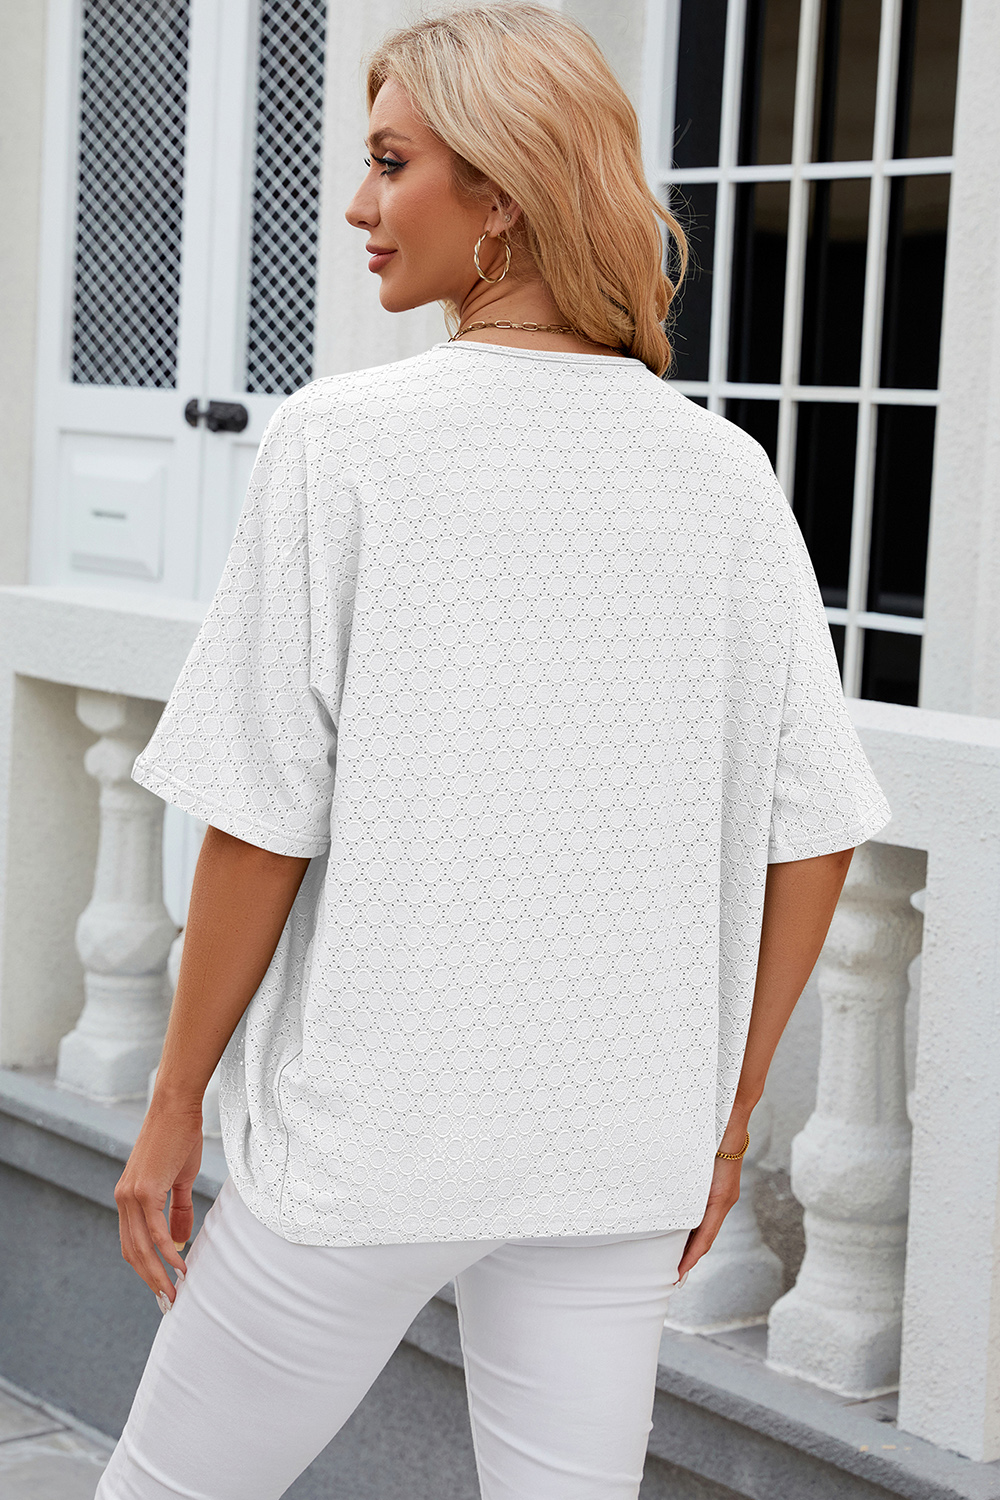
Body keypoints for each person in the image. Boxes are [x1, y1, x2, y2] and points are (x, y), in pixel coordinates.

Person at [96, 5, 891, 1498]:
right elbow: (817, 828)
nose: (358, 205)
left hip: (373, 1136)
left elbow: (262, 818)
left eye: (392, 162)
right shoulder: (723, 473)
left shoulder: (343, 441)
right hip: (617, 1145)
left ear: (505, 191)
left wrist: (173, 1097)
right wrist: (724, 1125)